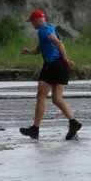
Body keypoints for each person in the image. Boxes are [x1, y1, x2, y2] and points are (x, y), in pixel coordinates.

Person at [19, 9, 81, 140]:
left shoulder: (43, 30)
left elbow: (57, 42)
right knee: (57, 99)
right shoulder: (50, 28)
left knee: (40, 97)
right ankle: (73, 123)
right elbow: (39, 49)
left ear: (37, 20)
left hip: (53, 65)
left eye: (32, 21)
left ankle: (35, 129)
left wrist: (65, 59)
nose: (32, 24)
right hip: (61, 67)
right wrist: (29, 52)